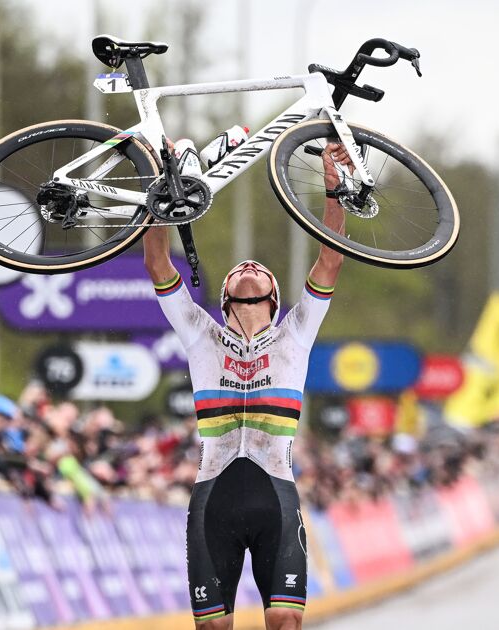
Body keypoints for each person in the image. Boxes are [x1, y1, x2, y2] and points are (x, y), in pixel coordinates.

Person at [143, 143, 349, 629]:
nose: (250, 266)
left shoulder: (296, 332)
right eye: (241, 269)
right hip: (213, 498)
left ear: (274, 297)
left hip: (274, 495)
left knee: (284, 622)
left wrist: (333, 184)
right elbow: (157, 264)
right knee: (214, 627)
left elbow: (331, 260)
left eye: (259, 269)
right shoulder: (200, 332)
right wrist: (164, 193)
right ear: (225, 296)